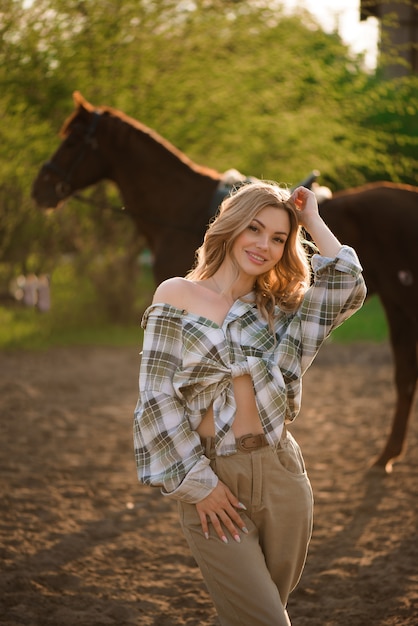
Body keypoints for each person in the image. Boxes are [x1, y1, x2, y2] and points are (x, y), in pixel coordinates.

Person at [133, 181, 366, 626]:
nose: (264, 245)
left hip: (283, 477)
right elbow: (156, 396)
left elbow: (345, 283)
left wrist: (311, 220)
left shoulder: (279, 309)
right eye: (255, 230)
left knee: (245, 617)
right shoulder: (176, 294)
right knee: (264, 620)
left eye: (279, 238)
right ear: (231, 227)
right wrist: (198, 485)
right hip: (214, 479)